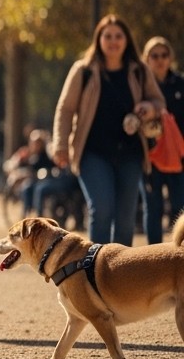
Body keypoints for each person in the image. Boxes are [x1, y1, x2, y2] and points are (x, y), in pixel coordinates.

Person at [49, 15, 164, 245]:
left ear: (126, 40)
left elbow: (158, 102)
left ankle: (120, 276)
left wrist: (148, 107)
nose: (113, 41)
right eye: (107, 36)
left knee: (125, 220)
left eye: (118, 36)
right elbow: (65, 109)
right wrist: (61, 145)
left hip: (131, 154)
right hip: (93, 153)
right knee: (101, 210)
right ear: (98, 39)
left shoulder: (139, 70)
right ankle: (96, 272)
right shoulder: (84, 71)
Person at [141, 36, 184, 243]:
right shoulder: (139, 86)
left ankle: (179, 256)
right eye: (154, 55)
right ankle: (154, 256)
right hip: (149, 157)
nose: (159, 60)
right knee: (153, 207)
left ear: (170, 58)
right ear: (146, 58)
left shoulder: (180, 84)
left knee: (179, 206)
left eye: (164, 55)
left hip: (178, 157)